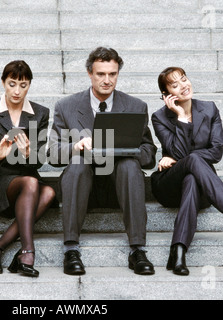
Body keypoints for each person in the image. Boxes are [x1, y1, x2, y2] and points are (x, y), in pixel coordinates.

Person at [47, 47, 157, 276]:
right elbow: (53, 154)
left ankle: (138, 250)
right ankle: (71, 249)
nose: (107, 80)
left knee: (129, 165)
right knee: (76, 164)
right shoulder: (66, 107)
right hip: (82, 185)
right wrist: (76, 146)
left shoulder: (136, 106)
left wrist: (125, 149)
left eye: (112, 74)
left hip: (122, 184)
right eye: (100, 74)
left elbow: (148, 154)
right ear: (89, 73)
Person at [151, 66, 223, 276]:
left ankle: (178, 252)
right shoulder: (159, 117)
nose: (183, 86)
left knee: (191, 177)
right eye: (174, 84)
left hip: (200, 188)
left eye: (184, 79)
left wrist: (186, 158)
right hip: (168, 185)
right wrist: (180, 116)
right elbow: (179, 152)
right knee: (191, 163)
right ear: (166, 95)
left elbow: (216, 152)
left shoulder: (209, 109)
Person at [0, 60, 56, 278]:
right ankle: (27, 252)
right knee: (32, 182)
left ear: (29, 85)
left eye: (23, 85)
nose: (17, 91)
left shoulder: (40, 113)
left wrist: (29, 153)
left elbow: (38, 162)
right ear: (3, 83)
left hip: (26, 180)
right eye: (12, 84)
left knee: (49, 191)